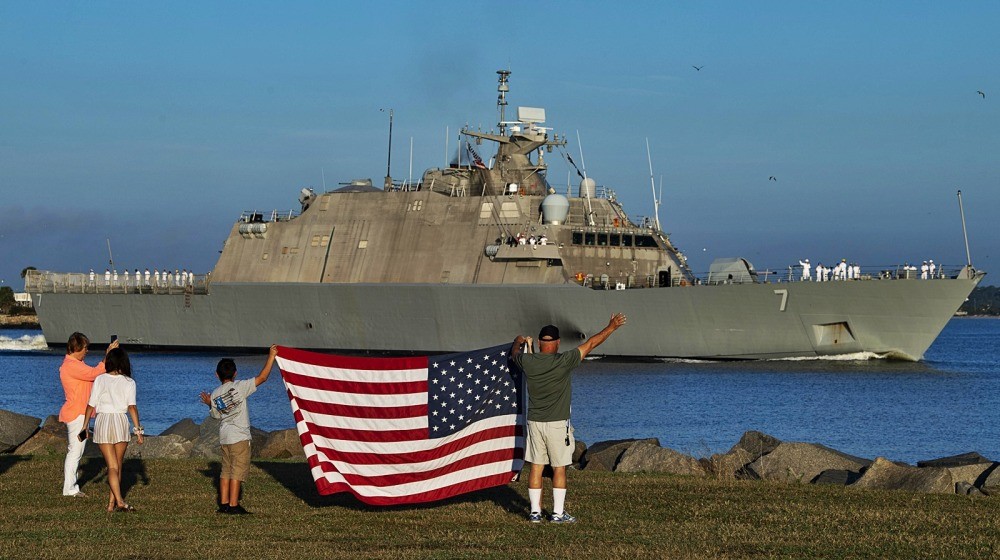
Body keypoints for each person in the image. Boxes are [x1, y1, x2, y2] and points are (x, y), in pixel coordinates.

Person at [510, 313, 627, 524]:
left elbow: (514, 354)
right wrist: (612, 327)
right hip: (557, 424)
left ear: (538, 342)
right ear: (557, 343)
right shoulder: (565, 360)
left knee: (536, 466)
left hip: (535, 423)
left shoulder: (527, 361)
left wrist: (519, 340)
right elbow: (591, 343)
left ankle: (535, 513)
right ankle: (557, 514)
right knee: (559, 468)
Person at [199, 345, 279, 514]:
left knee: (226, 470)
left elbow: (216, 415)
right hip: (240, 436)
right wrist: (271, 355)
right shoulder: (241, 387)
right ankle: (234, 505)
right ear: (235, 373)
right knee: (237, 471)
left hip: (225, 437)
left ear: (216, 375)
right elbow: (263, 377)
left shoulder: (215, 393)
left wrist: (209, 403)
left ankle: (224, 503)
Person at [59, 332, 119, 497]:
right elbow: (94, 373)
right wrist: (107, 355)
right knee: (75, 451)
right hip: (77, 414)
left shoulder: (75, 364)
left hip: (80, 414)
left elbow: (94, 374)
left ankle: (72, 487)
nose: (87, 351)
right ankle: (69, 489)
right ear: (77, 348)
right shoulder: (71, 365)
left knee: (76, 451)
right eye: (85, 348)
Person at [83, 348, 143, 512]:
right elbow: (132, 407)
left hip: (102, 420)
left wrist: (85, 426)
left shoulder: (100, 379)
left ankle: (112, 504)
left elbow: (90, 405)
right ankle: (119, 502)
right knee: (117, 466)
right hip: (119, 420)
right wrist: (138, 430)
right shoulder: (129, 382)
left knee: (112, 467)